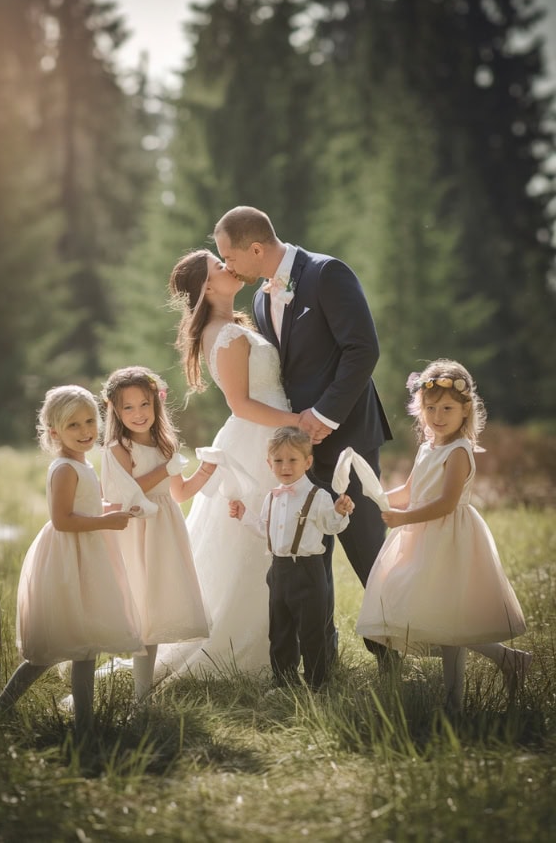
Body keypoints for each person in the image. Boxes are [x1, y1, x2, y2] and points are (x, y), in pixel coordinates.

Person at [213, 205, 393, 666]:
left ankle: (393, 651)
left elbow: (363, 348)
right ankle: (320, 659)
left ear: (256, 249)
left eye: (229, 258)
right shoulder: (257, 300)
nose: (228, 267)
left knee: (368, 546)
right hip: (296, 452)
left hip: (347, 435)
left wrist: (326, 415)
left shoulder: (327, 273)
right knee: (309, 557)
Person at [152, 249, 301, 681]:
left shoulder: (229, 326)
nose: (228, 266)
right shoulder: (228, 335)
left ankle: (279, 642)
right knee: (257, 539)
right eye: (219, 265)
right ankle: (247, 649)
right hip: (259, 439)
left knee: (260, 538)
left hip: (264, 434)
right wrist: (298, 423)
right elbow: (241, 404)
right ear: (206, 286)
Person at [356, 359, 532, 710]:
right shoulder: (427, 448)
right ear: (420, 410)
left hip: (448, 540)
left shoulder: (459, 452)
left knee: (449, 619)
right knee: (440, 617)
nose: (438, 416)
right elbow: (409, 489)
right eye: (431, 408)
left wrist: (404, 517)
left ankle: (458, 699)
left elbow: (445, 503)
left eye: (448, 408)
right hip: (421, 538)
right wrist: (371, 500)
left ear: (466, 410)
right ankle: (506, 663)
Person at [0, 385, 143, 737]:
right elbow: (63, 520)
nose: (85, 431)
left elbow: (83, 508)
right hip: (68, 558)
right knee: (51, 648)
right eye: (73, 425)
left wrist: (110, 510)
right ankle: (1, 706)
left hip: (86, 556)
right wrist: (106, 522)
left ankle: (86, 725)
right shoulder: (64, 468)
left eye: (90, 421)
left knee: (85, 644)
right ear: (54, 432)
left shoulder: (82, 463)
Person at [99, 366, 213, 700]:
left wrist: (205, 471)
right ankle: (134, 692)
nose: (138, 414)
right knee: (137, 605)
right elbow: (124, 494)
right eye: (128, 407)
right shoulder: (118, 448)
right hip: (135, 531)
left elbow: (177, 493)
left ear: (156, 403)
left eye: (144, 404)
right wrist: (166, 468)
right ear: (116, 411)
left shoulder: (166, 443)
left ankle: (142, 694)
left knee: (155, 607)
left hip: (164, 531)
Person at [229, 427, 354, 691]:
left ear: (308, 462)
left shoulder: (318, 496)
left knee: (311, 632)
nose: (285, 466)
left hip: (308, 570)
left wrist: (340, 512)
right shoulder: (272, 497)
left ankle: (317, 684)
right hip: (279, 570)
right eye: (278, 461)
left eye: (293, 460)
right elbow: (265, 529)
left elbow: (331, 526)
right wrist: (244, 515)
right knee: (280, 631)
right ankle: (284, 682)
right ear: (269, 463)